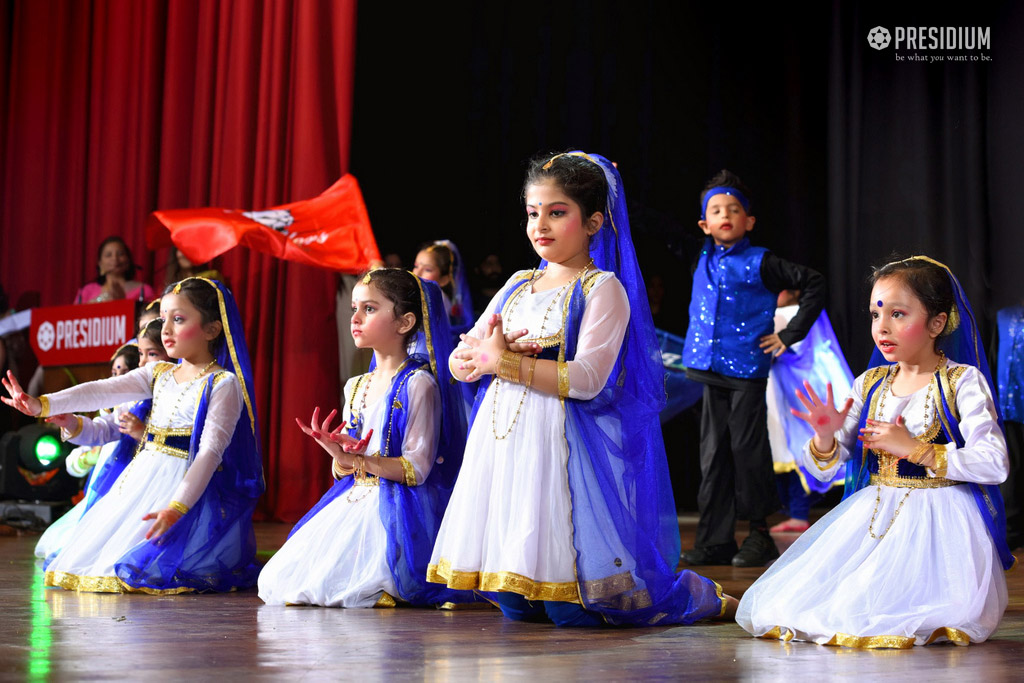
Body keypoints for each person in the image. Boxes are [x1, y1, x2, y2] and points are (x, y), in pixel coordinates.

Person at [428, 151, 731, 627]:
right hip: (505, 443)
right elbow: (458, 362)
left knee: (572, 613)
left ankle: (699, 599)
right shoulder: (514, 285)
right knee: (516, 606)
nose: (540, 225)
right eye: (533, 213)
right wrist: (478, 359)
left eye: (557, 212)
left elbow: (588, 380)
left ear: (593, 222)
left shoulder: (602, 288)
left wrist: (501, 363)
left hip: (561, 445)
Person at [737, 256, 1014, 648]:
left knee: (908, 608)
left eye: (898, 314)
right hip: (875, 513)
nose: (881, 328)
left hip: (943, 523)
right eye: (874, 315)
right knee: (815, 604)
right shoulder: (870, 384)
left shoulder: (961, 382)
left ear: (937, 323)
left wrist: (918, 449)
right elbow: (822, 472)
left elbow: (994, 462)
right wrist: (825, 438)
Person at [3, 277, 263, 594]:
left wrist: (176, 507)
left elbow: (209, 452)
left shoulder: (221, 383)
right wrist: (42, 404)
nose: (166, 329)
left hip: (181, 484)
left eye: (178, 319)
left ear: (211, 329)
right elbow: (103, 391)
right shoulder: (159, 373)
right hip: (140, 477)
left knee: (143, 564)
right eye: (163, 319)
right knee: (88, 558)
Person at [259, 270, 469, 607]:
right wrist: (339, 458)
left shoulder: (418, 383)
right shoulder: (355, 385)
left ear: (405, 322)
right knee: (282, 579)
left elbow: (417, 469)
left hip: (400, 508)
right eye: (354, 308)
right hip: (355, 498)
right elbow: (346, 469)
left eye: (369, 309)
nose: (355, 318)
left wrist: (358, 461)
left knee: (352, 584)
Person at [681, 170, 826, 567]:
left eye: (734, 209)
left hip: (745, 369)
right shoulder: (701, 256)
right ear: (704, 224)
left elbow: (814, 282)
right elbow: (650, 225)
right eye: (715, 210)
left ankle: (759, 534)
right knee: (713, 455)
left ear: (749, 221)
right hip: (707, 370)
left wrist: (789, 334)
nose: (724, 215)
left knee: (748, 452)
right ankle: (715, 540)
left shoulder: (761, 262)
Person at [34, 327, 170, 562]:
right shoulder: (135, 400)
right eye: (141, 355)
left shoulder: (181, 394)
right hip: (127, 480)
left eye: (153, 355)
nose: (144, 363)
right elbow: (104, 429)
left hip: (163, 483)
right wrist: (71, 422)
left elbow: (187, 447)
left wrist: (143, 433)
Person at [767, 290, 854, 533]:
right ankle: (800, 511)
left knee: (796, 450)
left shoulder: (785, 314)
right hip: (816, 382)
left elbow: (769, 348)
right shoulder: (812, 313)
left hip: (798, 391)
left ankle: (797, 514)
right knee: (808, 450)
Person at [413, 240, 475, 335]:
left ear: (444, 279)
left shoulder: (437, 298)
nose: (417, 273)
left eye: (427, 269)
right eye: (416, 266)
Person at [74, 236, 155, 304]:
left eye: (120, 254)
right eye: (108, 255)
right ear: (100, 263)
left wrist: (122, 303)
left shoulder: (143, 290)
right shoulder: (85, 291)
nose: (115, 259)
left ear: (128, 260)